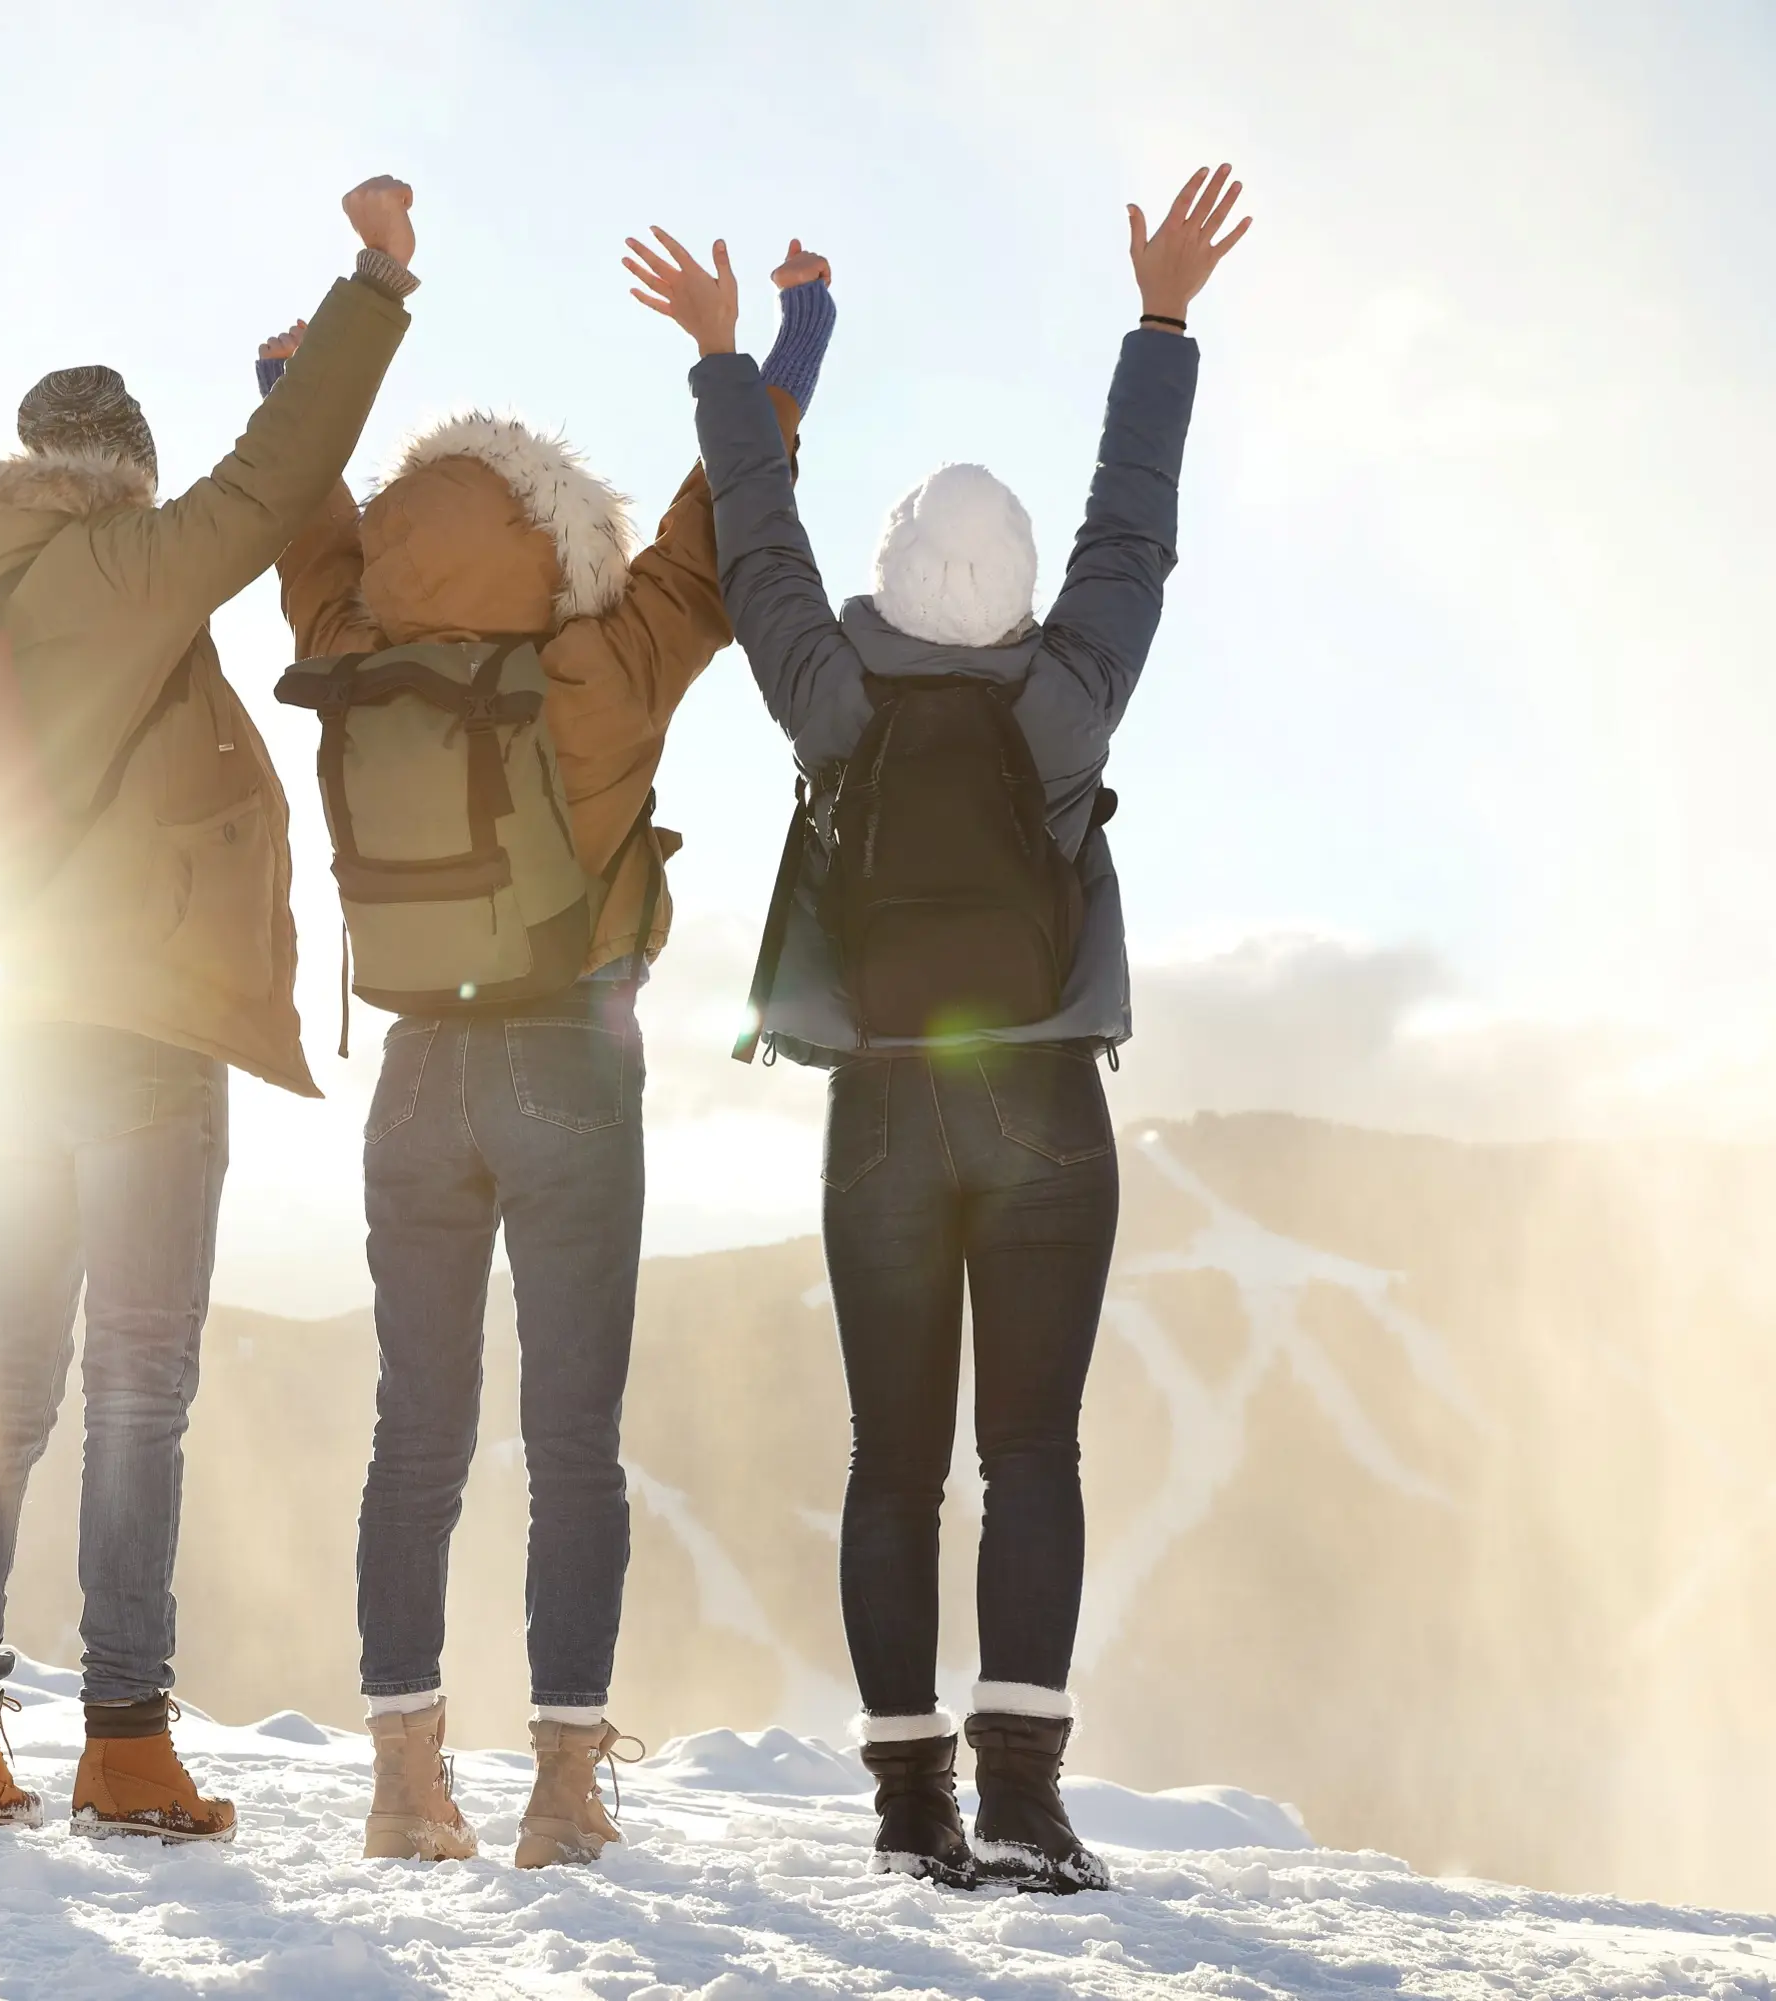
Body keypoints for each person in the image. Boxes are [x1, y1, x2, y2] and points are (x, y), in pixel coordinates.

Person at [669, 165, 1251, 1891]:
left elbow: (751, 538)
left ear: (895, 577)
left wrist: (727, 356)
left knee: (893, 1466)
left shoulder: (832, 698)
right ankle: (1026, 1798)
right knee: (1034, 1454)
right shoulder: (1067, 697)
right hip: (1050, 1110)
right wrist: (1161, 320)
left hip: (882, 1118)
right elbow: (1129, 528)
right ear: (1004, 596)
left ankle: (910, 1806)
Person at [0, 178, 423, 1841]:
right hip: (138, 1040)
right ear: (125, 471)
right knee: (134, 1392)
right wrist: (373, 283)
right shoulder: (119, 563)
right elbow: (273, 485)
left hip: (0, 1026)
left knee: (3, 1385)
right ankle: (124, 1739)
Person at [263, 234, 828, 1866]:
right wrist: (785, 343)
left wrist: (291, 392)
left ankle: (399, 1779)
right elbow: (722, 531)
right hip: (570, 1070)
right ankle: (567, 1788)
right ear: (551, 534)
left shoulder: (356, 657)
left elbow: (310, 535)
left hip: (413, 1080)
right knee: (573, 1436)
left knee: (415, 1432)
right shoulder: (599, 669)